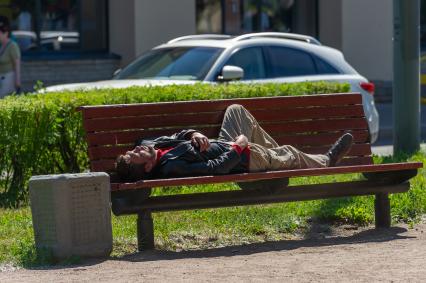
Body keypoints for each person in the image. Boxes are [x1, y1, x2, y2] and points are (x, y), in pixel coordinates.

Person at [115, 104, 354, 183]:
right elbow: (216, 169)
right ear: (147, 168)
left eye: (133, 150)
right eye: (137, 155)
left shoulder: (153, 145)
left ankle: (273, 157)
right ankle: (327, 160)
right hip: (241, 157)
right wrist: (238, 147)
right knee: (290, 153)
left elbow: (180, 132)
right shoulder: (171, 166)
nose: (137, 148)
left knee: (236, 110)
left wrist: (193, 133)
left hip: (225, 141)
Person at [0, 16, 21, 98]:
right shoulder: (1, 46)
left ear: (5, 33)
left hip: (8, 77)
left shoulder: (12, 45)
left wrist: (17, 81)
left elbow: (17, 64)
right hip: (1, 77)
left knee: (2, 98)